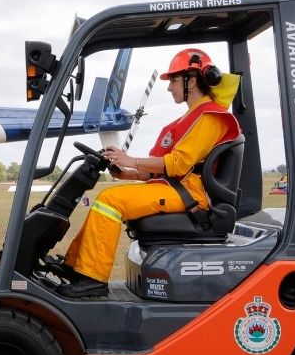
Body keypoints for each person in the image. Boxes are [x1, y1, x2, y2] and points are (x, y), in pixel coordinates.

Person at [63, 48, 240, 294]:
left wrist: (131, 159)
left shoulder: (211, 117)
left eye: (174, 81)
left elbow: (177, 164)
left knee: (109, 200)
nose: (169, 88)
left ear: (192, 80)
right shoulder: (186, 120)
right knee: (107, 199)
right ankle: (75, 266)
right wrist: (126, 172)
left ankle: (92, 278)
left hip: (191, 195)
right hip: (174, 189)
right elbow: (157, 169)